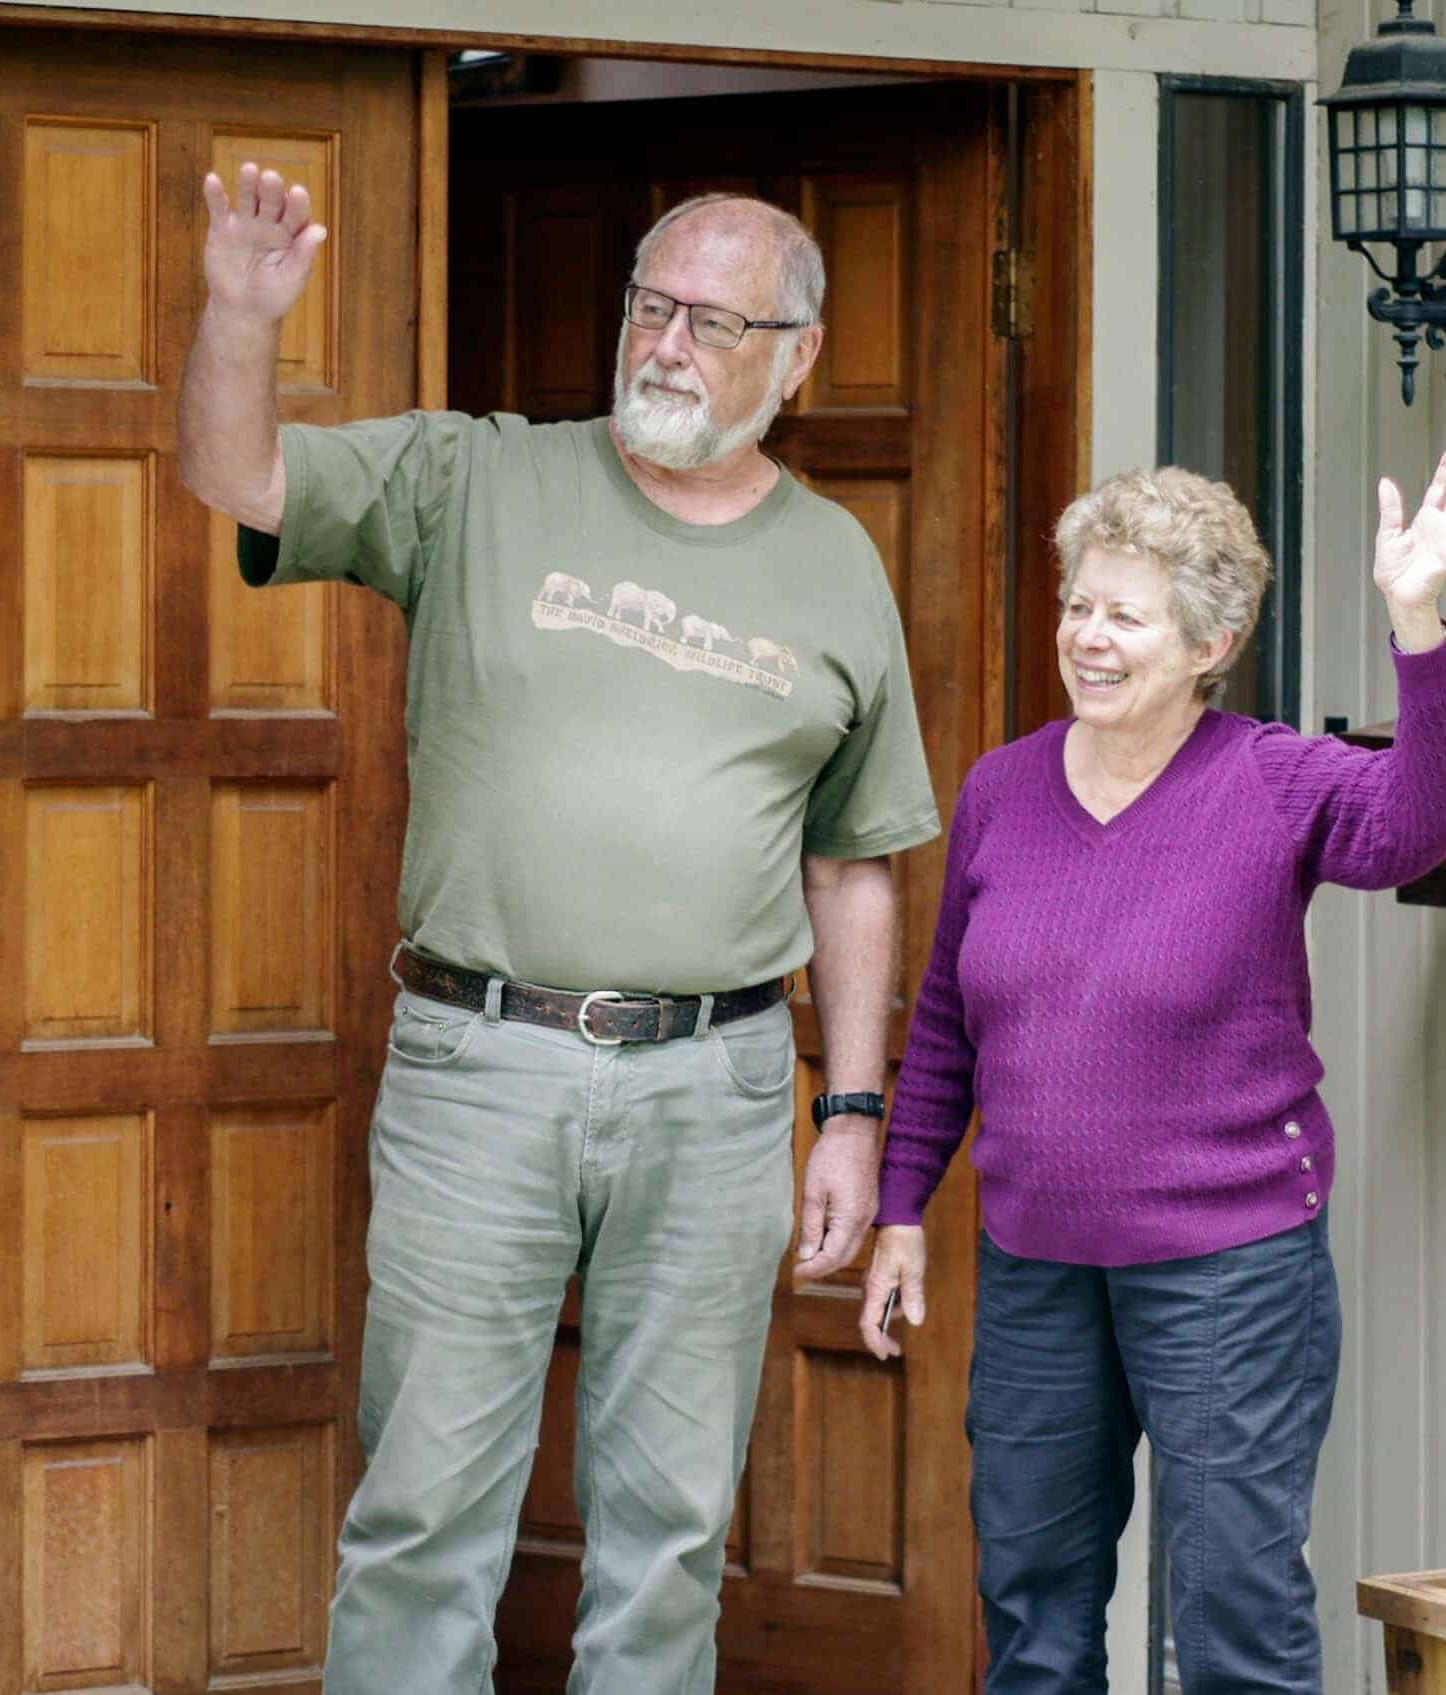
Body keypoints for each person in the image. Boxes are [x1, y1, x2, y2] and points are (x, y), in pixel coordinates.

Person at [175, 166, 938, 1694]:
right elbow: (239, 474)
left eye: (712, 321)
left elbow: (855, 865)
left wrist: (849, 1111)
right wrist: (238, 319)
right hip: (482, 1059)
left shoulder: (839, 566)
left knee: (668, 1529)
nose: (665, 342)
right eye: (650, 306)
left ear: (795, 358)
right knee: (425, 1511)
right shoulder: (477, 479)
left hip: (716, 1087)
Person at [857, 447, 1446, 1695]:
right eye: (1077, 607)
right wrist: (899, 1211)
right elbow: (945, 1022)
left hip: (1228, 1271)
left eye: (1124, 616)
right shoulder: (1003, 789)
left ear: (1210, 643)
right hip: (1038, 1265)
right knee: (1033, 1611)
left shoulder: (1269, 779)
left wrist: (1415, 624)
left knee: (1233, 1617)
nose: (1087, 640)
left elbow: (1428, 815)